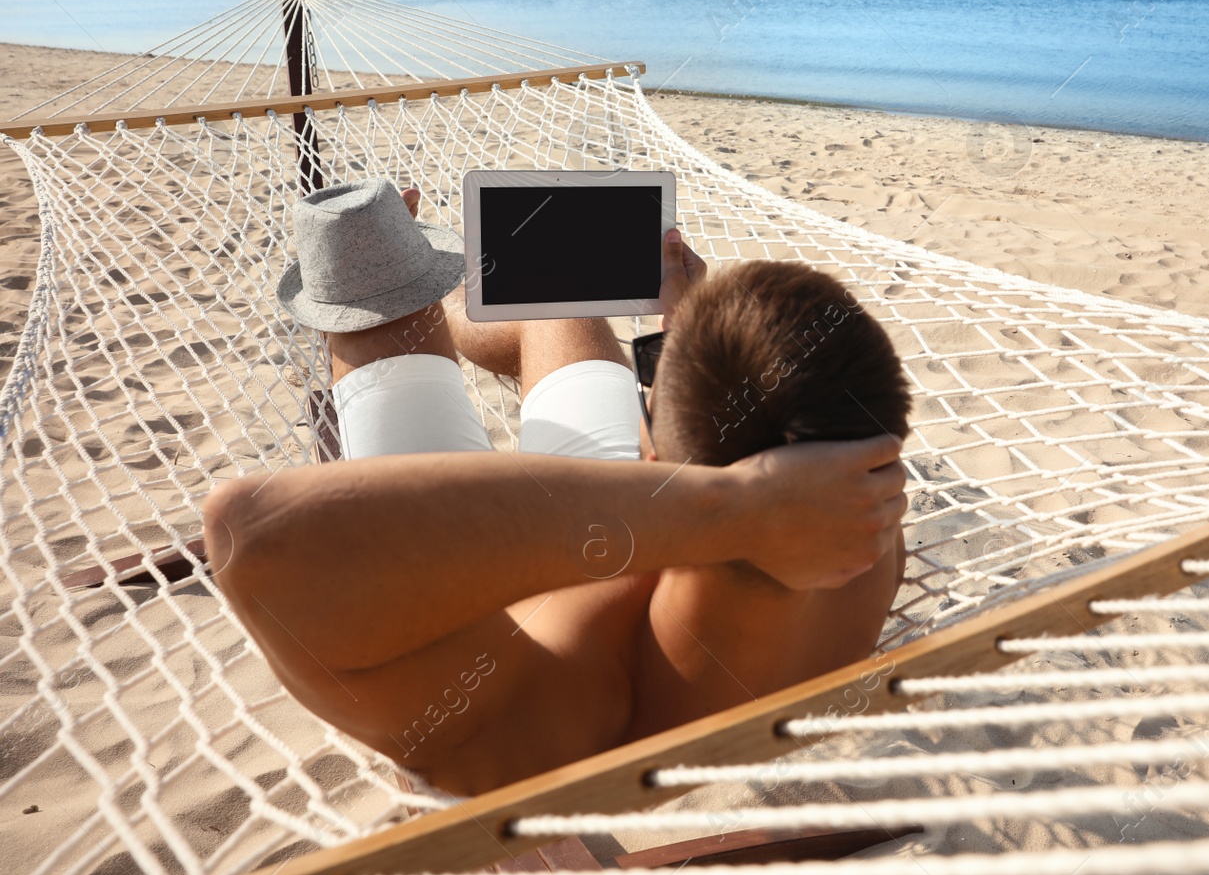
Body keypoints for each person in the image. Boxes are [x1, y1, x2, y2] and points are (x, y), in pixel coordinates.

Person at [203, 179, 909, 799]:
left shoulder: (569, 692)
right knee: (555, 301)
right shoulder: (869, 520)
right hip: (643, 526)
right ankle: (452, 293)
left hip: (474, 569)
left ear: (658, 453)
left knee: (368, 286)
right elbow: (737, 456)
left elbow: (250, 532)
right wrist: (692, 333)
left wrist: (739, 507)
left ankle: (424, 293)